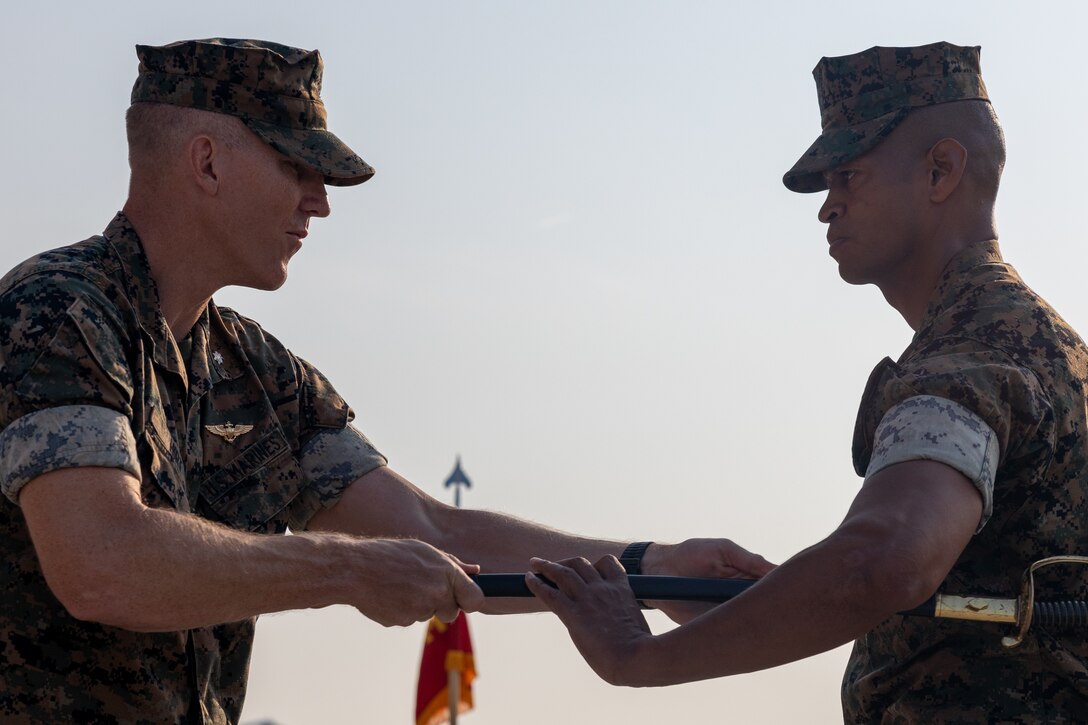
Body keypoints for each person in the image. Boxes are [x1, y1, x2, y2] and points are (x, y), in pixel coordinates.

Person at [0, 38, 773, 723]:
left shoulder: (253, 370)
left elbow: (432, 532)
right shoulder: (60, 312)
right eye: (295, 164)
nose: (321, 202)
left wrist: (649, 565)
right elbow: (100, 563)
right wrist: (345, 569)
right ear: (206, 162)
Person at [528, 41, 1088, 720]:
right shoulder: (1046, 345)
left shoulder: (969, 355)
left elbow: (885, 561)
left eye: (849, 176)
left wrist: (635, 658)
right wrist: (784, 596)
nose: (828, 207)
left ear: (940, 171)